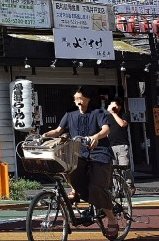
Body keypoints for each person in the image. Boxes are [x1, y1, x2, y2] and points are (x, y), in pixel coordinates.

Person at [43, 86, 118, 241]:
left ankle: (111, 218)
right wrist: (42, 135)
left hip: (100, 155)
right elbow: (58, 130)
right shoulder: (70, 114)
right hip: (79, 154)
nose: (77, 101)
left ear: (88, 99)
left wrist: (96, 136)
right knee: (68, 169)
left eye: (80, 98)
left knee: (96, 186)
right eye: (75, 98)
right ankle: (83, 196)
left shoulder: (98, 113)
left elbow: (106, 129)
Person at [107, 97, 135, 195]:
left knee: (124, 167)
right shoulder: (107, 117)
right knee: (114, 169)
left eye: (115, 106)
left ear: (119, 106)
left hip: (122, 145)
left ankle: (129, 186)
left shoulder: (124, 115)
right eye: (111, 106)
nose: (113, 108)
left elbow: (122, 124)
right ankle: (118, 189)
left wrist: (114, 113)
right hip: (110, 146)